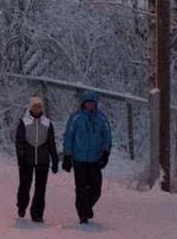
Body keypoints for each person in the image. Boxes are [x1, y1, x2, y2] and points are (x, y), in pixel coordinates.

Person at [61, 90, 112, 225]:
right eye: (88, 102)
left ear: (95, 104)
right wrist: (67, 155)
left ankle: (87, 206)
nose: (90, 105)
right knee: (81, 188)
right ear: (83, 103)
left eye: (92, 103)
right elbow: (68, 136)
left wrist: (105, 153)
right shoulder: (76, 117)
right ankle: (83, 215)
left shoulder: (101, 118)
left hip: (95, 160)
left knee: (96, 189)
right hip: (79, 159)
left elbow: (107, 136)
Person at [14, 95, 58, 223]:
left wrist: (54, 159)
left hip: (43, 160)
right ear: (30, 108)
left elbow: (51, 143)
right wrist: (20, 157)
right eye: (34, 106)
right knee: (25, 185)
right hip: (26, 159)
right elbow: (19, 141)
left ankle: (37, 213)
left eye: (39, 106)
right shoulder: (24, 122)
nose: (37, 108)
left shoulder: (47, 123)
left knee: (40, 188)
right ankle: (22, 206)